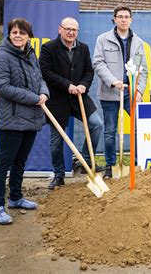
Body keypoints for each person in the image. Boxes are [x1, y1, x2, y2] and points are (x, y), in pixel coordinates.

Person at [0, 18, 49, 224]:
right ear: (9, 34)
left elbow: (40, 79)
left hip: (31, 120)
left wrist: (43, 92)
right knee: (3, 165)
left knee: (20, 161)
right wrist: (34, 98)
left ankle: (15, 198)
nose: (18, 35)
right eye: (14, 32)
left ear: (28, 36)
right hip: (12, 119)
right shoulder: (3, 56)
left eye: (22, 33)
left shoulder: (31, 54)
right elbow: (2, 86)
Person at [40, 17, 104, 190]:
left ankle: (85, 161)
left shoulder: (83, 48)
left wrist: (83, 84)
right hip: (57, 100)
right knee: (56, 141)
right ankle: (59, 175)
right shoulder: (48, 48)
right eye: (68, 29)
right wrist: (66, 85)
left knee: (96, 124)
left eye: (74, 30)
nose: (71, 32)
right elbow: (45, 72)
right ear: (60, 29)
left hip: (79, 97)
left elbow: (89, 71)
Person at [93, 5, 148, 178]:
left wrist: (138, 90)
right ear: (114, 19)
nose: (123, 19)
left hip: (130, 93)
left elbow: (142, 68)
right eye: (120, 16)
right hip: (110, 92)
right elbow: (98, 63)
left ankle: (137, 161)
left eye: (126, 17)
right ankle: (110, 166)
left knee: (138, 128)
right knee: (110, 130)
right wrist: (112, 81)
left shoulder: (138, 42)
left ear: (131, 19)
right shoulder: (103, 39)